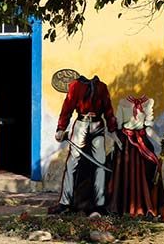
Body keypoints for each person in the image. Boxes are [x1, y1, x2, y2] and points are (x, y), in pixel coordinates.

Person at [51, 75, 119, 215]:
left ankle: (100, 204)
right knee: (72, 163)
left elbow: (108, 109)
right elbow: (68, 106)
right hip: (80, 124)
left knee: (100, 164)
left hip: (98, 124)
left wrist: (113, 129)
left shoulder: (102, 87)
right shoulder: (75, 86)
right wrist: (61, 128)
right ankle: (65, 203)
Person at [107, 95, 164, 222]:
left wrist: (161, 141)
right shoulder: (123, 103)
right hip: (126, 143)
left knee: (151, 168)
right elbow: (119, 126)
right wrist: (117, 143)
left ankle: (146, 207)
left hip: (141, 142)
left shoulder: (149, 102)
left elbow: (148, 128)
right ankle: (123, 208)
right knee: (124, 173)